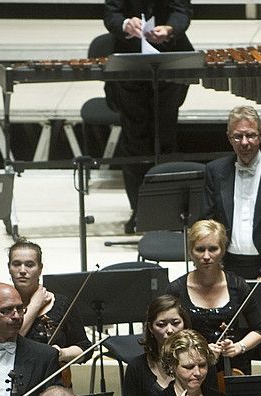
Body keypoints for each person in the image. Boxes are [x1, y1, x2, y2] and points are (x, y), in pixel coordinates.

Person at [103, 0, 193, 232]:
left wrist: (170, 29)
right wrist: (125, 24)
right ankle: (140, 212)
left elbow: (182, 10)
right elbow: (111, 13)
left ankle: (170, 211)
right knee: (134, 139)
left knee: (166, 138)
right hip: (128, 62)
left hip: (171, 58)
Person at [200, 105, 261, 280]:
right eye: (238, 136)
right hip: (226, 267)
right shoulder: (215, 171)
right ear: (229, 138)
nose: (244, 142)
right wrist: (215, 266)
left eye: (251, 135)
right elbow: (207, 222)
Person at [164, 220, 261, 377]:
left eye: (213, 249)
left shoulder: (238, 285)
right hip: (191, 370)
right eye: (200, 249)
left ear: (223, 251)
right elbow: (168, 336)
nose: (206, 256)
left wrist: (239, 346)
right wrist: (197, 350)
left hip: (233, 368)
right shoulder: (176, 290)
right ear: (190, 252)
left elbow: (259, 329)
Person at [7, 239, 91, 364]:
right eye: (17, 264)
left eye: (30, 265)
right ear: (9, 267)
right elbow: (8, 344)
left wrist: (63, 354)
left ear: (40, 268)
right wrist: (35, 305)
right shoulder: (0, 304)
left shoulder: (61, 304)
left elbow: (85, 348)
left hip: (53, 379)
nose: (23, 270)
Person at [121, 294, 191, 396]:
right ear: (150, 328)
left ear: (184, 324)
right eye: (161, 324)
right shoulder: (136, 367)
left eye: (175, 323)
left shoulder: (201, 364)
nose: (170, 330)